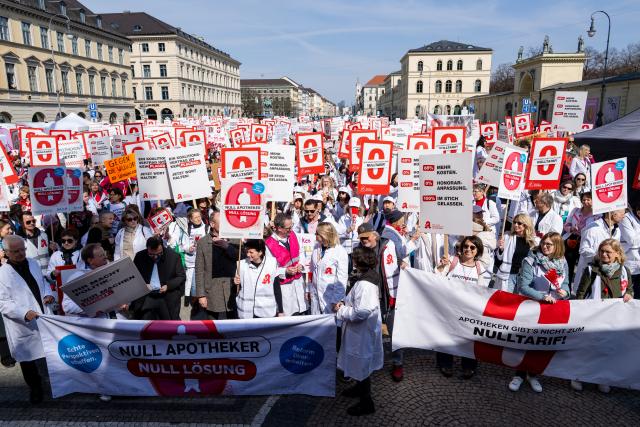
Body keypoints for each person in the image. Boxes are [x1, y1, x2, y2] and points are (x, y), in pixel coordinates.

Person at [509, 232, 570, 393]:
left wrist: (565, 292)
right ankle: (519, 375)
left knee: (542, 343)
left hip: (552, 308)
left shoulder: (562, 262)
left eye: (549, 244)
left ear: (557, 246)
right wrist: (543, 297)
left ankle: (533, 375)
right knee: (526, 341)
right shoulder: (530, 261)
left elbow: (567, 284)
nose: (545, 246)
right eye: (544, 243)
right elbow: (524, 286)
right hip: (532, 306)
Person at [0, 235, 54, 403]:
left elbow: (43, 283)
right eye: (15, 251)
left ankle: (55, 383)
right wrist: (23, 313)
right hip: (23, 323)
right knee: (28, 359)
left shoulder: (33, 263)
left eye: (22, 249)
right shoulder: (2, 273)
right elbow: (3, 302)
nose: (20, 253)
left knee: (50, 354)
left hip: (42, 315)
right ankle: (35, 388)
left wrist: (48, 294)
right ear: (6, 253)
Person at [575, 239, 633, 393]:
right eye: (602, 251)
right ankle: (578, 376)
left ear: (617, 254)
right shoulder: (591, 270)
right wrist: (579, 314)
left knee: (607, 348)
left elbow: (630, 290)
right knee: (587, 348)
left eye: (608, 252)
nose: (604, 254)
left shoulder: (624, 271)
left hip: (613, 318)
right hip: (593, 316)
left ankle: (601, 378)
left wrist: (629, 294)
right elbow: (581, 293)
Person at [333, 246, 383, 416]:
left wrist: (341, 310)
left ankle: (366, 402)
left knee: (361, 362)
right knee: (358, 362)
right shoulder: (368, 277)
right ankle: (359, 388)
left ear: (357, 261)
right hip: (362, 330)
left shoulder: (364, 284)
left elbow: (361, 311)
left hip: (361, 331)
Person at [433, 236, 487, 379]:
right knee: (446, 336)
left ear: (477, 251)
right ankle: (445, 363)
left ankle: (469, 366)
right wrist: (441, 266)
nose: (468, 249)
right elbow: (436, 276)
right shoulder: (452, 261)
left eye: (472, 247)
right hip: (450, 307)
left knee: (469, 339)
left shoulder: (481, 268)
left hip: (469, 310)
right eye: (466, 246)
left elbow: (483, 291)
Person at [194, 212, 239, 320]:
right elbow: (199, 270)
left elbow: (241, 257)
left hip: (232, 288)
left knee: (234, 324)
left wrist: (227, 246)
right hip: (212, 291)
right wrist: (201, 295)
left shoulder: (235, 240)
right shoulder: (203, 242)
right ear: (212, 224)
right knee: (211, 324)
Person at [130, 236, 185, 320]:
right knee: (145, 325)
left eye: (159, 254)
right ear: (147, 248)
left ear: (162, 247)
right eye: (151, 254)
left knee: (169, 326)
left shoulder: (173, 256)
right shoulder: (140, 256)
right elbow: (133, 276)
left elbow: (181, 276)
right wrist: (143, 285)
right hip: (147, 297)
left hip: (166, 297)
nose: (155, 257)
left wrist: (168, 285)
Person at [264, 213, 307, 316]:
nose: (290, 230)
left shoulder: (293, 235)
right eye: (288, 228)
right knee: (290, 316)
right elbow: (269, 269)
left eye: (291, 226)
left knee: (302, 314)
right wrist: (285, 271)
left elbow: (301, 252)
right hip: (285, 287)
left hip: (299, 284)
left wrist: (301, 264)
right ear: (279, 228)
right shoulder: (269, 245)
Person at [573, 209, 625, 293]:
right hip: (590, 273)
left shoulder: (617, 231)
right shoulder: (592, 228)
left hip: (607, 275)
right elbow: (583, 249)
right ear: (613, 214)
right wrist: (600, 257)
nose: (624, 216)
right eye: (622, 213)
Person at [234, 239, 283, 319]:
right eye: (247, 251)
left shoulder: (272, 263)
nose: (248, 254)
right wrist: (235, 283)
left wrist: (280, 310)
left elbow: (277, 288)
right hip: (246, 312)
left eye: (251, 252)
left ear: (260, 252)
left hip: (266, 312)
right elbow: (235, 290)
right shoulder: (241, 264)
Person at [167, 208, 209, 299]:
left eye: (199, 216)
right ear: (190, 219)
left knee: (205, 284)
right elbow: (182, 245)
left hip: (205, 262)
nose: (198, 219)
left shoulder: (207, 228)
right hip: (192, 263)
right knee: (194, 286)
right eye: (196, 217)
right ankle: (196, 306)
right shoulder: (187, 230)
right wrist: (188, 248)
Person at [309, 222, 348, 315]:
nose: (315, 236)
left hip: (330, 298)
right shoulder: (316, 247)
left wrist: (336, 300)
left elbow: (342, 279)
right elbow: (312, 270)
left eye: (317, 234)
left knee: (331, 326)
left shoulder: (340, 251)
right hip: (316, 295)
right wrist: (309, 289)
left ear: (324, 235)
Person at [495, 213, 536, 292]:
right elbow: (499, 258)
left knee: (519, 301)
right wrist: (500, 249)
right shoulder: (507, 236)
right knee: (506, 299)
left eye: (519, 223)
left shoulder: (534, 241)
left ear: (526, 225)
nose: (516, 225)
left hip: (524, 277)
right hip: (509, 274)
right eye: (514, 222)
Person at [562, 192, 595, 284]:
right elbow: (566, 224)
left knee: (582, 266)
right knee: (568, 265)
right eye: (584, 200)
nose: (585, 202)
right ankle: (566, 286)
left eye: (588, 199)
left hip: (585, 241)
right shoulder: (575, 210)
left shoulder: (596, 214)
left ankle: (579, 288)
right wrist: (571, 229)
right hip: (571, 239)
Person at [17, 212, 55, 277]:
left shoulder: (43, 235)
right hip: (32, 275)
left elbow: (48, 252)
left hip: (48, 273)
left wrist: (53, 248)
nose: (32, 223)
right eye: (28, 222)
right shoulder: (18, 240)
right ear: (21, 223)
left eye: (33, 221)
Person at [619, 205, 640, 296]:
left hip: (637, 261)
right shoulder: (625, 218)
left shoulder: (635, 217)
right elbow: (632, 241)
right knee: (629, 293)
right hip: (631, 262)